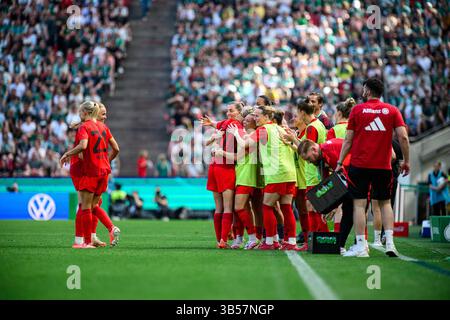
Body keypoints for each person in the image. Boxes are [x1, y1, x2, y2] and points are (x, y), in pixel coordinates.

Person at [336, 77, 410, 258]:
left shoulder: (357, 110)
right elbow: (403, 138)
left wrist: (339, 163)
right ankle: (390, 243)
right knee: (385, 203)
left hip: (359, 165)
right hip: (383, 166)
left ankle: (361, 247)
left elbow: (348, 140)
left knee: (359, 205)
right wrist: (406, 161)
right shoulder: (392, 110)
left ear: (367, 90)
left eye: (363, 88)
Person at [60, 101, 120, 248]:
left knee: (88, 206)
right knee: (86, 205)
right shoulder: (96, 127)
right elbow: (84, 153)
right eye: (102, 112)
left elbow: (84, 148)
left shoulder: (90, 127)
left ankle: (88, 239)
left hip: (92, 170)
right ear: (94, 113)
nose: (105, 115)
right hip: (87, 170)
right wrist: (102, 162)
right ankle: (84, 239)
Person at [214, 106, 260, 249]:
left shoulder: (250, 135)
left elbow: (239, 156)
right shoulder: (245, 133)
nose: (244, 122)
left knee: (239, 207)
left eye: (247, 120)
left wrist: (220, 152)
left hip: (247, 175)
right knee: (238, 208)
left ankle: (254, 237)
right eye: (244, 119)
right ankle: (239, 238)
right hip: (240, 174)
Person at [201, 102, 245, 248]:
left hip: (214, 166)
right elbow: (242, 152)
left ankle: (219, 239)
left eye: (231, 111)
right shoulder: (236, 126)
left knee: (218, 207)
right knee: (228, 207)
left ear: (239, 112)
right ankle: (223, 240)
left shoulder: (225, 123)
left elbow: (217, 125)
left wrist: (211, 124)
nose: (228, 113)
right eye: (228, 111)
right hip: (225, 167)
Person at [297, 138, 353, 254]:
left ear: (313, 149)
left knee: (354, 207)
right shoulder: (322, 157)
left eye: (308, 159)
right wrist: (328, 205)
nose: (308, 162)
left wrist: (335, 205)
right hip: (353, 172)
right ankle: (343, 245)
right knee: (351, 208)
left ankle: (358, 243)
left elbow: (343, 180)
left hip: (359, 170)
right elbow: (327, 181)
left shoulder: (329, 152)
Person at [298, 100, 328, 235]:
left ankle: (316, 238)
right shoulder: (319, 124)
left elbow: (308, 149)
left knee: (313, 207)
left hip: (313, 172)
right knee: (315, 207)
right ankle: (319, 238)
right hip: (317, 171)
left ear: (302, 112)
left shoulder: (311, 127)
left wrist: (292, 139)